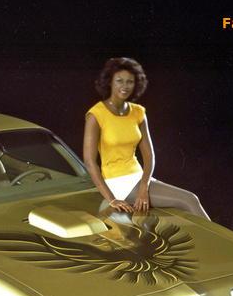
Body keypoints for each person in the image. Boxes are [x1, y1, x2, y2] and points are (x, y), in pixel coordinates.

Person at [83, 57, 210, 220]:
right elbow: (89, 162)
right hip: (117, 182)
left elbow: (149, 155)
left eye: (130, 82)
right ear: (109, 82)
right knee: (189, 199)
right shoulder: (96, 115)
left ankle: (213, 237)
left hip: (140, 177)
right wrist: (111, 199)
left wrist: (144, 186)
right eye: (119, 81)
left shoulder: (138, 112)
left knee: (180, 213)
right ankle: (220, 238)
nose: (124, 86)